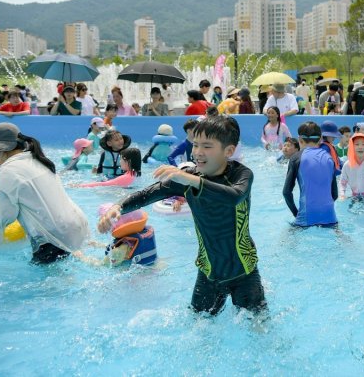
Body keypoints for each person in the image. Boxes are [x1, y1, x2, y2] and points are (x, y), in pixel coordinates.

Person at [97, 116, 265, 315]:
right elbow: (147, 194)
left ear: (228, 151)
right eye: (195, 145)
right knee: (198, 327)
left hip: (243, 272)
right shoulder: (188, 177)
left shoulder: (241, 174)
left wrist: (188, 178)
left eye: (207, 146)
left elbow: (233, 197)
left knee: (259, 328)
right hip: (208, 271)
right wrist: (118, 207)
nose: (197, 152)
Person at [0, 123, 88, 263]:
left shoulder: (6, 171)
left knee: (49, 281)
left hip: (52, 237)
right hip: (77, 225)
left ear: (1, 149)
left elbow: (6, 216)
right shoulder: (38, 159)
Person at [282, 122, 339, 227]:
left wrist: (296, 213)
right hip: (330, 217)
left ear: (300, 139)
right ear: (320, 139)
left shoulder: (296, 158)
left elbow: (286, 192)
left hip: (305, 219)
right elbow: (334, 194)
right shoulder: (329, 158)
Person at [74, 206, 157, 267]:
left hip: (138, 281)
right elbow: (123, 245)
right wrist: (99, 245)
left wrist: (82, 257)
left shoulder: (119, 250)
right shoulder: (142, 233)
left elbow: (102, 265)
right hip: (154, 267)